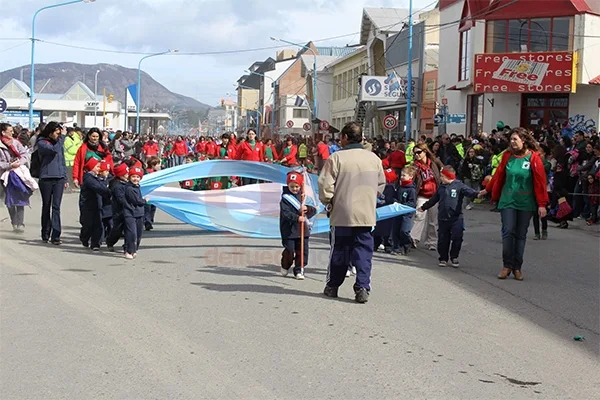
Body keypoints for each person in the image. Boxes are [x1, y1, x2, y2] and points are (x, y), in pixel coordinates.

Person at [318, 121, 386, 304]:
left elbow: (325, 185)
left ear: (346, 138)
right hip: (366, 213)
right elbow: (381, 184)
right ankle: (362, 287)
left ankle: (333, 286)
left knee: (340, 249)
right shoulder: (374, 159)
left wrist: (328, 201)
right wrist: (371, 197)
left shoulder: (337, 158)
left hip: (342, 212)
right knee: (364, 250)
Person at [480, 128, 548, 281]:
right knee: (508, 231)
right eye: (511, 139)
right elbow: (498, 175)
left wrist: (542, 204)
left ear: (523, 141)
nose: (512, 142)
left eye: (515, 139)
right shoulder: (507, 156)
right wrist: (487, 189)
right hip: (507, 200)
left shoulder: (533, 158)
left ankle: (517, 267)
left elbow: (540, 182)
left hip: (526, 202)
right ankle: (506, 265)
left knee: (520, 235)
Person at [418, 165, 480, 268]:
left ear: (448, 176)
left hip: (456, 217)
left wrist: (478, 194)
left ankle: (454, 256)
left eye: (442, 176)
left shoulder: (459, 186)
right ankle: (443, 258)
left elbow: (470, 192)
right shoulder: (441, 187)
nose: (440, 178)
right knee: (443, 239)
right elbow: (434, 199)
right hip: (443, 217)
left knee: (457, 237)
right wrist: (424, 207)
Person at [279, 171, 316, 280]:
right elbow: (285, 213)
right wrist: (296, 218)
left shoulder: (305, 197)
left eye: (296, 186)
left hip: (302, 230)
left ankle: (299, 269)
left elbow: (313, 210)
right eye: (292, 186)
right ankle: (285, 264)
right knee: (290, 250)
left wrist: (307, 209)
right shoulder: (285, 199)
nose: (294, 188)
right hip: (289, 230)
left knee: (302, 251)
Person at [37, 122, 67, 245]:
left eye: (60, 133)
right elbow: (54, 150)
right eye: (57, 133)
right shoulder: (42, 142)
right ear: (50, 132)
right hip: (47, 178)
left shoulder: (59, 143)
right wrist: (63, 138)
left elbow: (62, 161)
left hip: (59, 178)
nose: (59, 135)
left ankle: (56, 235)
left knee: (56, 207)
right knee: (46, 205)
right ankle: (45, 233)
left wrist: (65, 177)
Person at [0, 123, 32, 232]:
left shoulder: (16, 142)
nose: (12, 133)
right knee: (10, 199)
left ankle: (20, 223)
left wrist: (19, 162)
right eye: (10, 131)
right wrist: (9, 165)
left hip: (18, 174)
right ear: (3, 132)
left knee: (20, 196)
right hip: (5, 175)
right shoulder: (1, 145)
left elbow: (24, 154)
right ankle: (14, 222)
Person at [411, 143, 443, 251]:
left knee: (433, 221)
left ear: (425, 151)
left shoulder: (434, 162)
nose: (416, 155)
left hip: (434, 195)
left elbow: (443, 171)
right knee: (419, 216)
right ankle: (414, 239)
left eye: (419, 152)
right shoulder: (415, 166)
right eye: (414, 153)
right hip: (422, 195)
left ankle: (431, 242)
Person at [78, 158, 110, 251]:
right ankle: (84, 237)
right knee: (88, 224)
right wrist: (108, 192)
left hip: (97, 204)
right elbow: (97, 187)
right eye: (97, 167)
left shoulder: (97, 177)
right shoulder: (88, 178)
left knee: (98, 224)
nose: (99, 169)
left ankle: (95, 243)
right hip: (87, 205)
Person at [392, 166, 417, 255]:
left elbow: (412, 203)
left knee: (404, 230)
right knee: (395, 230)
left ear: (410, 177)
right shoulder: (399, 187)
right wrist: (395, 202)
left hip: (407, 213)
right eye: (401, 175)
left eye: (404, 175)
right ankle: (396, 247)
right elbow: (395, 197)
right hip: (397, 212)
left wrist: (402, 206)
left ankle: (406, 245)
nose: (402, 177)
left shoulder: (411, 190)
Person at [124, 167, 147, 260]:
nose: (135, 179)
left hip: (139, 213)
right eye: (133, 176)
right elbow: (136, 200)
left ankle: (134, 249)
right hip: (130, 213)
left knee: (138, 234)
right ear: (129, 177)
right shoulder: (129, 188)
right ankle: (128, 250)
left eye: (137, 177)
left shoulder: (138, 187)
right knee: (131, 233)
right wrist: (145, 200)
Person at [373, 168, 397, 253]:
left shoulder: (390, 188)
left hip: (386, 212)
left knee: (385, 230)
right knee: (377, 229)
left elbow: (390, 199)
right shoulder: (379, 186)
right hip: (379, 210)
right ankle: (377, 244)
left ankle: (386, 244)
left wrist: (385, 201)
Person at [106, 163, 129, 252]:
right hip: (119, 211)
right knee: (117, 230)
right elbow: (121, 199)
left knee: (128, 229)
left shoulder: (126, 183)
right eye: (126, 174)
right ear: (121, 175)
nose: (128, 175)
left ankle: (127, 245)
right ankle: (110, 241)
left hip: (127, 211)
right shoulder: (117, 186)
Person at [143, 157, 161, 231]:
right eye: (158, 164)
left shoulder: (156, 173)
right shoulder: (148, 173)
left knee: (152, 208)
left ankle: (150, 220)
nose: (159, 166)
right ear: (153, 165)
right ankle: (147, 222)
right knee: (148, 208)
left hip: (154, 193)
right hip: (148, 193)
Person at [63, 127, 82, 191]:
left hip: (73, 161)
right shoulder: (67, 139)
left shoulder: (75, 138)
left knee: (73, 175)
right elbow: (72, 150)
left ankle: (73, 187)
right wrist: (79, 149)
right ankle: (71, 187)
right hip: (69, 161)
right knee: (70, 175)